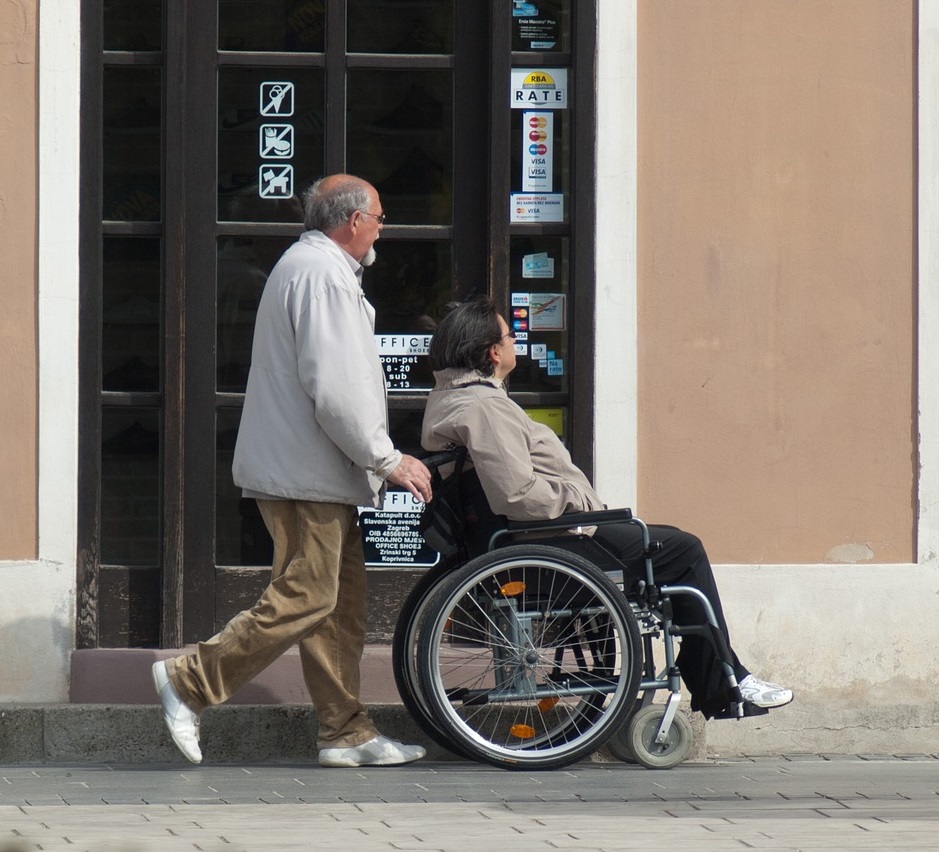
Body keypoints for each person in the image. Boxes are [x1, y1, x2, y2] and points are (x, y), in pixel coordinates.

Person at [152, 174, 433, 767]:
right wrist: (387, 457)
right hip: (307, 472)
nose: (383, 228)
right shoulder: (322, 275)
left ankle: (345, 732)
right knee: (308, 595)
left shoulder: (314, 269)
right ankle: (189, 680)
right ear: (352, 221)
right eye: (379, 217)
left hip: (314, 470)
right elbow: (336, 389)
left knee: (338, 604)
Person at [420, 298, 793, 720]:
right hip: (550, 541)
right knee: (682, 550)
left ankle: (719, 671)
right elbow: (517, 495)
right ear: (492, 352)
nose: (514, 342)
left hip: (537, 539)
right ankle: (723, 677)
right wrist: (579, 503)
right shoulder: (484, 408)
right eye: (509, 335)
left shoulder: (454, 400)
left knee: (667, 543)